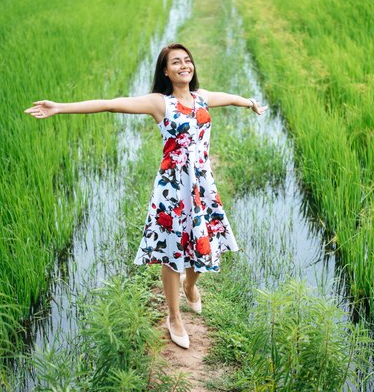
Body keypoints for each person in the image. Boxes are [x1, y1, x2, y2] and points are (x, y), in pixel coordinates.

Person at [25, 43, 267, 349]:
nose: (184, 65)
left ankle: (191, 286)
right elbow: (111, 104)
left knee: (202, 240)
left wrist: (250, 102)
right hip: (173, 187)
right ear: (165, 71)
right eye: (176, 62)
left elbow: (230, 99)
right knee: (172, 252)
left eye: (187, 60)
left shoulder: (202, 97)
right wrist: (60, 107)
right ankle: (174, 316)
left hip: (202, 184)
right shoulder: (159, 103)